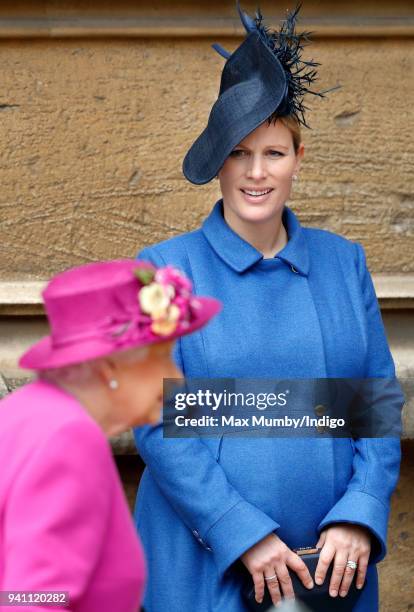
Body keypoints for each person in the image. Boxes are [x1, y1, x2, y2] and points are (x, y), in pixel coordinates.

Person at [133, 4, 402, 611]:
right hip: (209, 569)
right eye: (238, 153)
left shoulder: (343, 262)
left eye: (274, 154)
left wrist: (359, 515)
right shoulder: (164, 268)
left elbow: (376, 404)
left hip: (331, 569)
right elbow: (156, 424)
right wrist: (240, 531)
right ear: (218, 162)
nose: (256, 173)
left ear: (298, 161)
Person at [0, 259, 220, 611]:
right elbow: (32, 600)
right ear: (109, 368)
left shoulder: (25, 412)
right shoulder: (69, 437)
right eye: (162, 357)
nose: (176, 378)